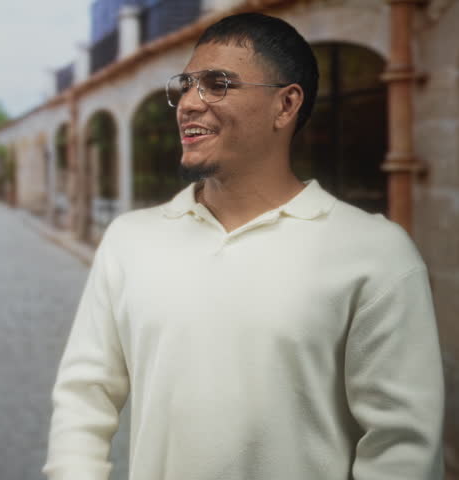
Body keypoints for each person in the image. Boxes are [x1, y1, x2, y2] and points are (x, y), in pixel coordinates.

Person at [42, 12, 445, 480]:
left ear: (285, 104)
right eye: (185, 85)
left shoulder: (375, 253)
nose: (188, 103)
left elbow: (403, 449)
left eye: (217, 84)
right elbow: (83, 396)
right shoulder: (130, 240)